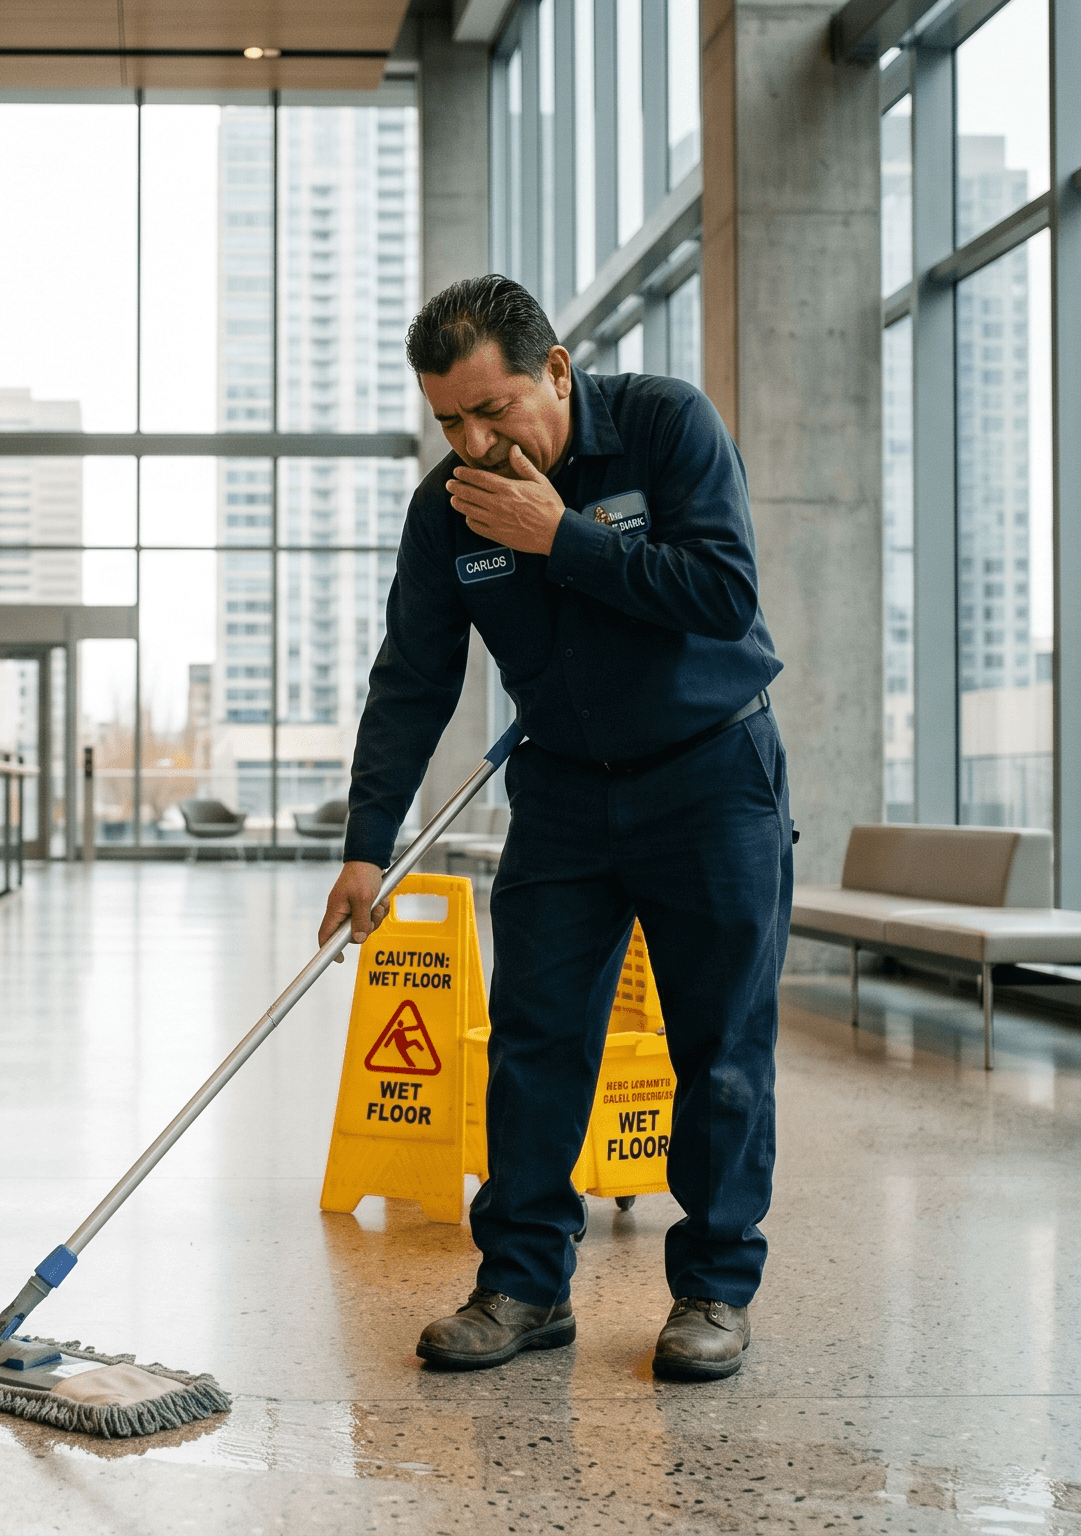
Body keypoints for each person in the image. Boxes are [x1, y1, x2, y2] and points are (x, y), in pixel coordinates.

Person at [315, 275, 792, 1384]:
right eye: (448, 421)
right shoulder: (445, 511)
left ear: (558, 371)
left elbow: (722, 593)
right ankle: (523, 1286)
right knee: (531, 1045)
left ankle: (712, 1292)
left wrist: (560, 537)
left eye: (493, 409)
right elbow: (411, 678)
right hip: (565, 792)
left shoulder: (667, 426)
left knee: (717, 1051)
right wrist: (362, 845)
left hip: (711, 777)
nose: (474, 442)